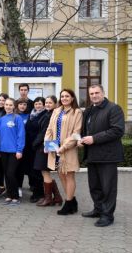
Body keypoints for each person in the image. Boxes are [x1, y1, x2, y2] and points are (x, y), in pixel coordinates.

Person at [79, 84, 125, 227]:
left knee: (108, 188)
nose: (94, 95)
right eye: (91, 93)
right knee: (95, 186)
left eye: (97, 93)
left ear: (103, 93)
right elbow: (86, 129)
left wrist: (94, 139)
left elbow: (117, 130)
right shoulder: (89, 110)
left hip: (108, 156)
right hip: (92, 155)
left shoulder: (114, 108)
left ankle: (107, 215)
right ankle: (98, 209)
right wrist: (81, 139)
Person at [45, 89, 82, 215]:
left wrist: (64, 147)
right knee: (61, 174)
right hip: (55, 149)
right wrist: (47, 144)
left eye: (67, 96)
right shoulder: (56, 110)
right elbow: (49, 129)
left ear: (72, 98)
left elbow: (76, 133)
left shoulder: (76, 112)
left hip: (68, 149)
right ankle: (72, 201)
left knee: (69, 175)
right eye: (62, 96)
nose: (64, 98)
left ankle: (68, 203)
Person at [33, 95, 63, 207]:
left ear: (55, 104)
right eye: (46, 103)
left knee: (45, 171)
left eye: (50, 103)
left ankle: (48, 199)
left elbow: (45, 132)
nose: (47, 105)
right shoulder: (46, 114)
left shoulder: (53, 115)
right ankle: (57, 198)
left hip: (46, 146)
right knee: (44, 172)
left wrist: (35, 144)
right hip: (44, 145)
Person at [0, 98, 25, 206]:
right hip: (3, 151)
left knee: (11, 173)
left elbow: (21, 135)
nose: (8, 107)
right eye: (6, 105)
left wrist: (19, 150)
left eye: (10, 105)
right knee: (6, 173)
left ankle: (15, 196)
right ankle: (9, 195)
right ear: (4, 106)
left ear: (14, 106)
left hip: (14, 151)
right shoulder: (2, 118)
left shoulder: (17, 118)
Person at [23, 97, 46, 203]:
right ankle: (36, 192)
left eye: (40, 104)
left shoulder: (44, 115)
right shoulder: (31, 114)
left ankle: (40, 194)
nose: (37, 106)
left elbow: (42, 132)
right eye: (36, 104)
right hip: (28, 147)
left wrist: (35, 143)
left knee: (37, 171)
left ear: (44, 105)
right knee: (32, 171)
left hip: (37, 146)